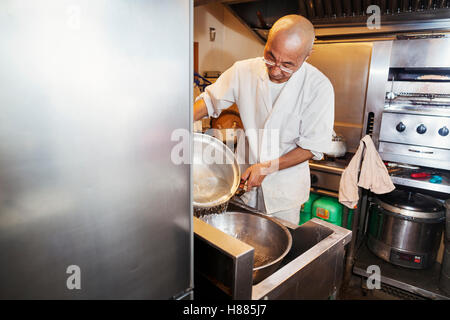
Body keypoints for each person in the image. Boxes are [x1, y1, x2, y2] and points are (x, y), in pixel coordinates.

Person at [193, 15, 334, 225]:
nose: (276, 70)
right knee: (240, 239)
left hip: (284, 194)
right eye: (270, 56)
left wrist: (267, 168)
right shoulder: (244, 71)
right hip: (243, 183)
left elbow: (311, 147)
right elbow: (209, 102)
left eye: (287, 65)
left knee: (277, 246)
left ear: (307, 56)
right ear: (267, 43)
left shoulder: (318, 88)